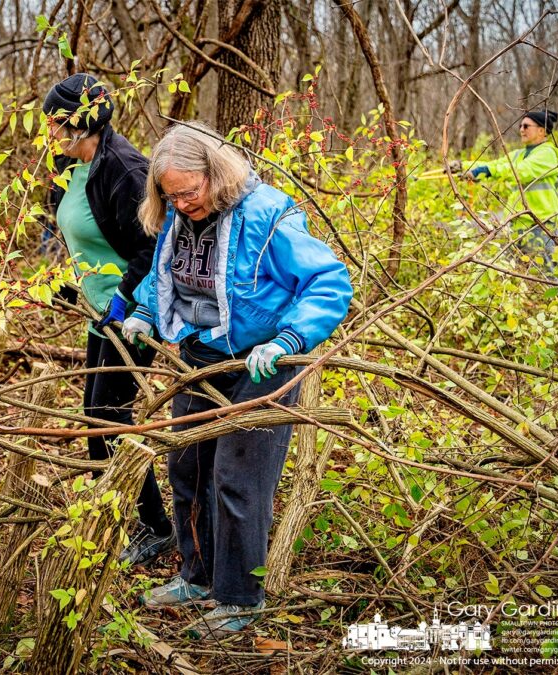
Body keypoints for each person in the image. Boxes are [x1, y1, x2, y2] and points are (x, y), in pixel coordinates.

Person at [122, 121, 352, 637]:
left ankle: (240, 597)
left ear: (214, 173)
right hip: (200, 356)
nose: (181, 203)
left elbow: (327, 280)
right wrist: (144, 314)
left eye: (189, 192)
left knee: (238, 480)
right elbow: (166, 278)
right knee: (188, 468)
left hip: (263, 362)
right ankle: (197, 577)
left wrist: (288, 340)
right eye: (171, 196)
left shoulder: (266, 213)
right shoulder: (179, 218)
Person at [42, 73, 174, 566]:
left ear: (82, 120)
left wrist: (123, 297)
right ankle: (121, 519)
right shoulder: (70, 164)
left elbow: (152, 247)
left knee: (107, 419)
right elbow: (77, 231)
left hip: (134, 312)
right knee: (96, 419)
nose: (51, 131)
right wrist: (71, 283)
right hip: (99, 310)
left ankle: (155, 526)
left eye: (58, 121)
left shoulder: (123, 169)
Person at [464, 110, 558, 265]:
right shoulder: (519, 154)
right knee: (513, 274)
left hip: (539, 225)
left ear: (541, 131)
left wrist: (484, 171)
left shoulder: (547, 154)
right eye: (520, 126)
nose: (521, 129)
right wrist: (463, 167)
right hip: (516, 224)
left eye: (526, 126)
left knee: (544, 275)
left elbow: (519, 171)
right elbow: (496, 165)